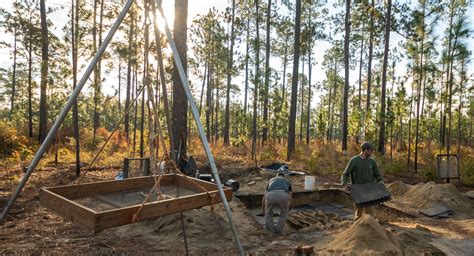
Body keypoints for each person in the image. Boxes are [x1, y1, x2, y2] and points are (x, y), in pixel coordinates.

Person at [341, 141, 384, 220]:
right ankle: (358, 229)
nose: (372, 152)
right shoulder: (354, 161)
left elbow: (377, 174)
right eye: (371, 150)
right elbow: (345, 174)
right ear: (365, 150)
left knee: (370, 213)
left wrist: (380, 180)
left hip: (369, 190)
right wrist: (345, 183)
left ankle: (371, 229)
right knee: (358, 214)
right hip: (358, 190)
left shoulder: (372, 162)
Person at [262, 171, 292, 235]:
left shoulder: (271, 180)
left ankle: (270, 231)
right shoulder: (287, 181)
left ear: (276, 176)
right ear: (284, 177)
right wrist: (289, 207)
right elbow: (290, 196)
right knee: (284, 214)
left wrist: (263, 209)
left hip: (270, 195)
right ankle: (278, 231)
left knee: (268, 213)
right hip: (283, 195)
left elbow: (264, 196)